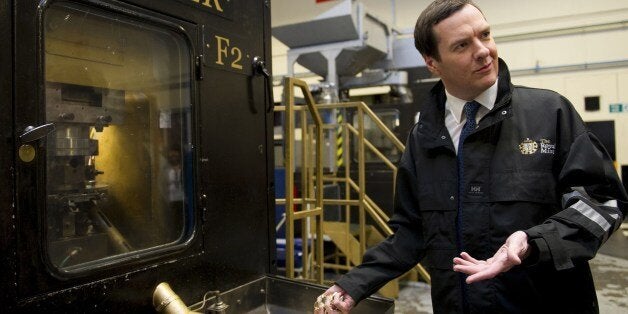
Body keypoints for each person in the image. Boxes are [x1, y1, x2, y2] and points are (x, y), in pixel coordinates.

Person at [314, 0, 628, 313]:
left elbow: (603, 204)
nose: (483, 50)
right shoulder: (423, 138)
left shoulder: (551, 114)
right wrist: (353, 284)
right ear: (432, 63)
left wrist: (534, 241)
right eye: (462, 45)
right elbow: (412, 232)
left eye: (485, 35)